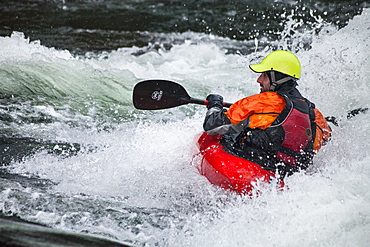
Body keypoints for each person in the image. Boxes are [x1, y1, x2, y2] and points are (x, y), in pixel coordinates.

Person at [203, 50, 331, 178]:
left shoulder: (262, 102)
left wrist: (215, 105)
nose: (259, 80)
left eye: (264, 75)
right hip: (291, 177)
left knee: (226, 136)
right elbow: (326, 136)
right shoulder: (311, 111)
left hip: (254, 173)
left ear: (277, 78)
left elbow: (212, 125)